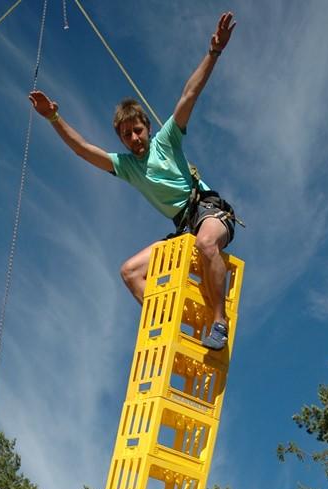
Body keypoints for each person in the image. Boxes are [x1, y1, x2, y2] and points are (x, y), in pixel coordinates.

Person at [29, 12, 237, 351]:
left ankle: (219, 321)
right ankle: (169, 326)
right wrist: (53, 117)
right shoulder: (126, 166)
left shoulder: (167, 140)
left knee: (205, 243)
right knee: (130, 272)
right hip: (184, 228)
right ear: (122, 139)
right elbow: (83, 150)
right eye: (127, 135)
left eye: (137, 131)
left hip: (209, 212)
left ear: (147, 128)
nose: (134, 139)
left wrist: (213, 53)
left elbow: (189, 95)